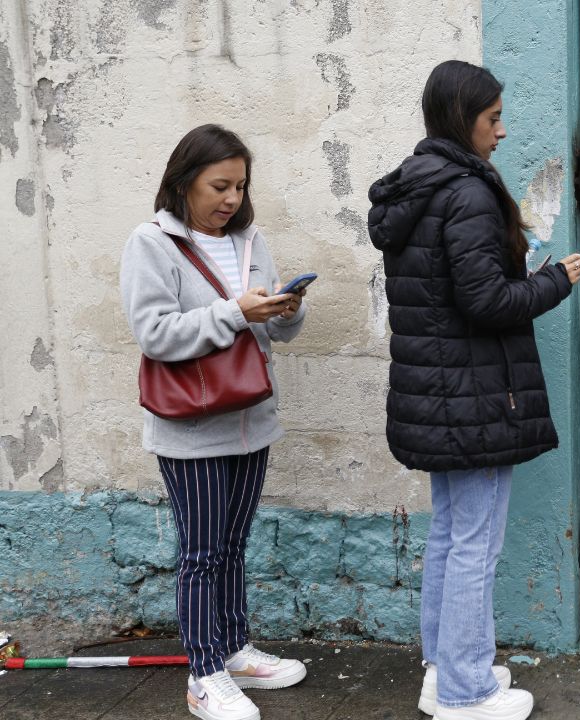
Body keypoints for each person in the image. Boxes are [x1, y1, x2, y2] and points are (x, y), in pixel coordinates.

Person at [367, 60, 580, 720]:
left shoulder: (420, 189)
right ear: (464, 121)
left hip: (440, 398)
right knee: (474, 547)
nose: (503, 131)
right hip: (472, 398)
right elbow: (487, 300)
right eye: (493, 119)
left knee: (452, 537)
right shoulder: (465, 192)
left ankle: (447, 669)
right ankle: (465, 692)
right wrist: (556, 281)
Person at [120, 124, 309, 720]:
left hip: (252, 416)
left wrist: (284, 311)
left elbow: (272, 333)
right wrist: (235, 310)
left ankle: (233, 651)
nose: (231, 199)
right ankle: (203, 674)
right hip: (192, 429)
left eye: (240, 186)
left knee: (232, 545)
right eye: (219, 185)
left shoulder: (251, 240)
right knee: (201, 552)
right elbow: (154, 333)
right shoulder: (151, 244)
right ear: (183, 183)